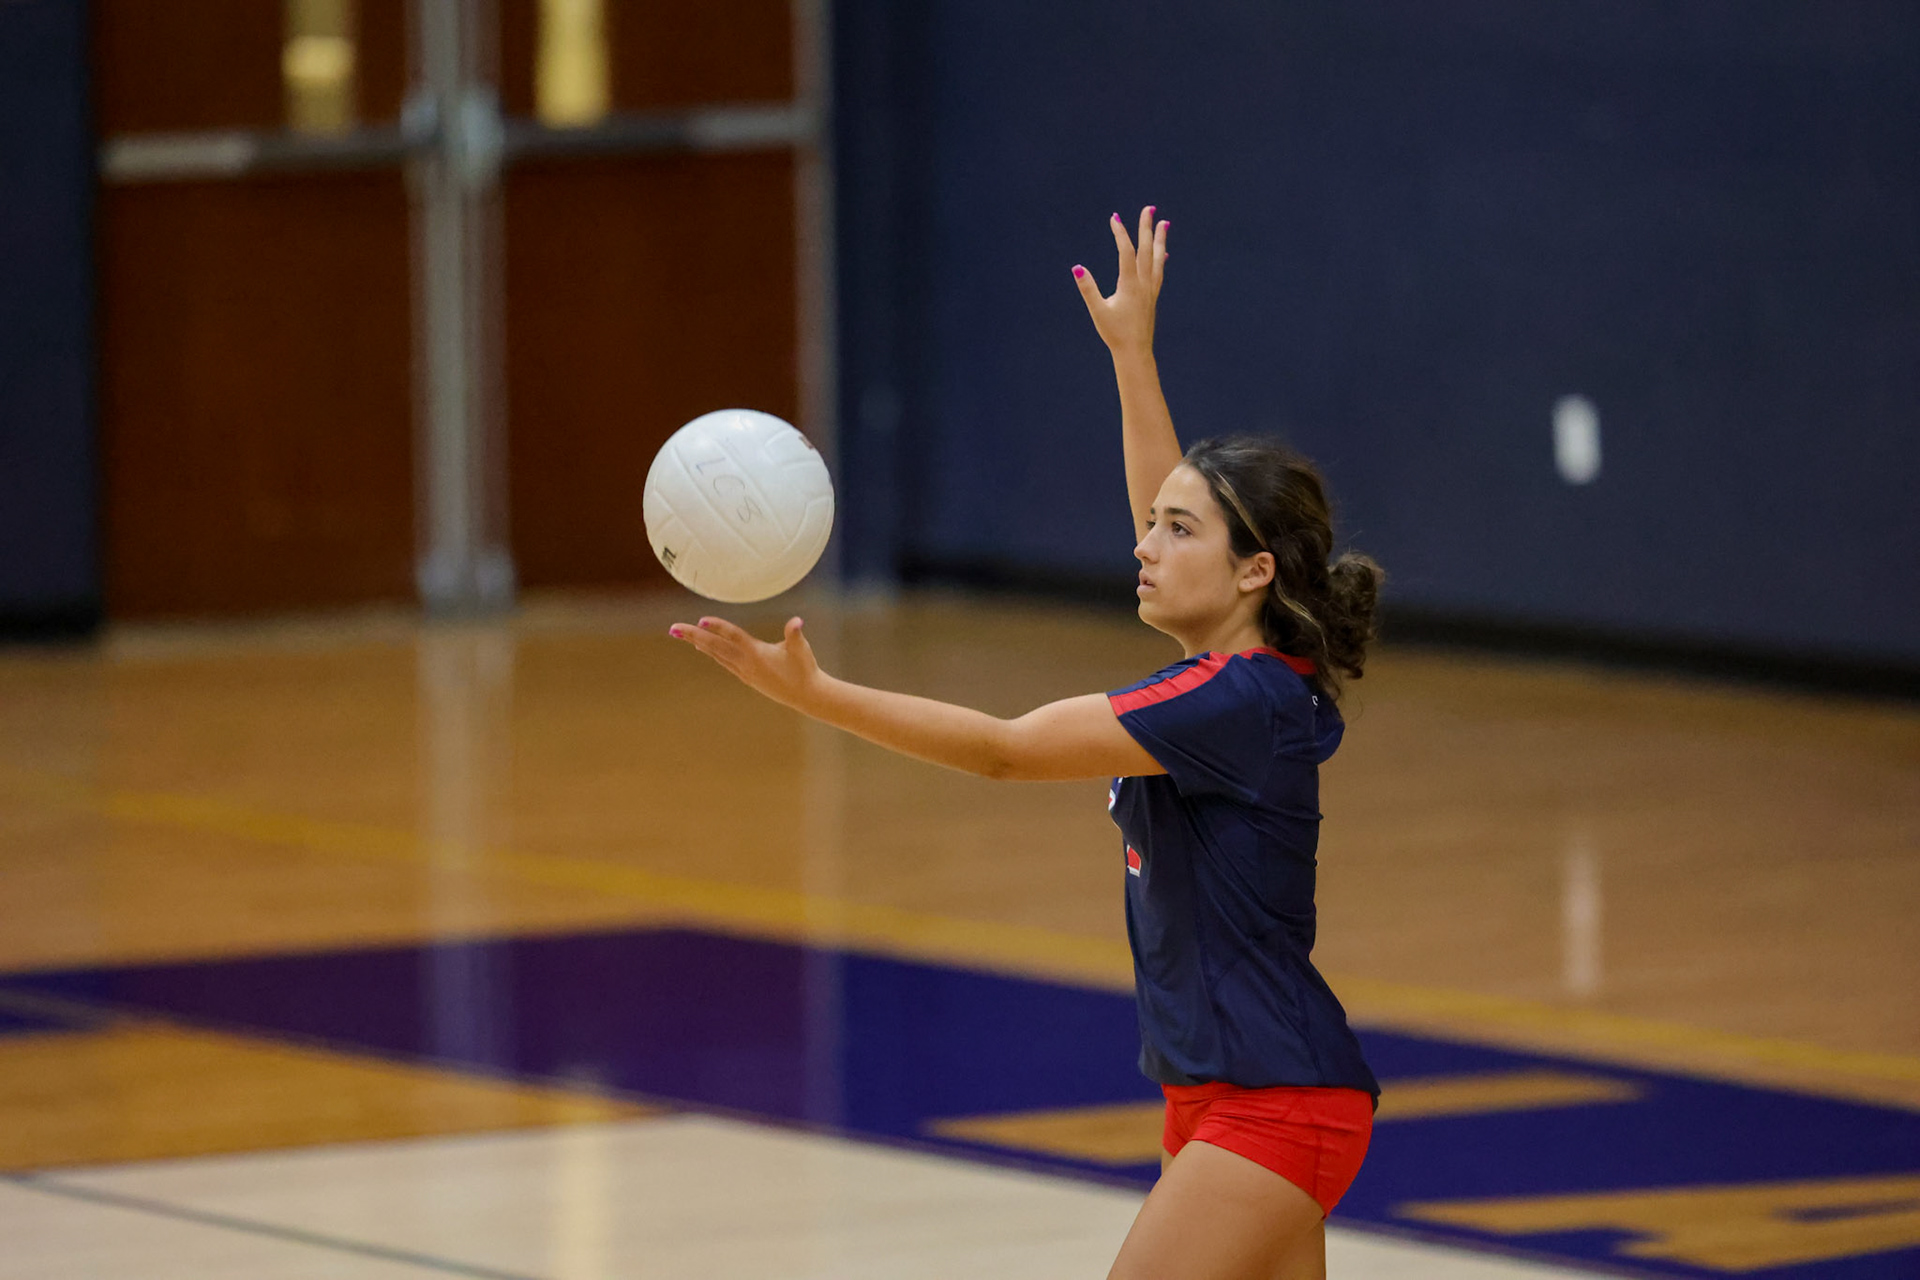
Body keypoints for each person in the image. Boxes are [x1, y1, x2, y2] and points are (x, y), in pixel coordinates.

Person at [671, 207, 1385, 1280]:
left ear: (1255, 571)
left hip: (1273, 1102)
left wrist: (816, 695)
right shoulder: (1244, 678)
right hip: (1226, 1092)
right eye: (1153, 525)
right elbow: (1173, 503)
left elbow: (1004, 750)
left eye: (1177, 532)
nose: (1145, 546)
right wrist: (1132, 355)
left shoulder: (1233, 701)